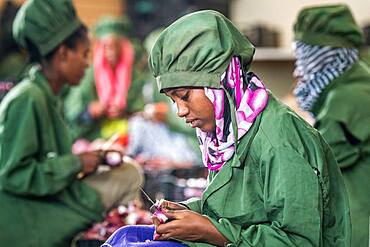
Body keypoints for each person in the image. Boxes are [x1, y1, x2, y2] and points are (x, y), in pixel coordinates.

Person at [103, 10, 351, 247]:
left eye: (184, 96)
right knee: (126, 236)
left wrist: (212, 231)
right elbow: (241, 209)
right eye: (172, 100)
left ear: (221, 82)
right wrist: (189, 212)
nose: (179, 111)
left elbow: (299, 241)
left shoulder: (279, 140)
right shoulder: (230, 132)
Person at [0, 0, 143, 246]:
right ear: (63, 54)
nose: (88, 63)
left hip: (53, 194)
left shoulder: (47, 96)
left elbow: (47, 159)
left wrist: (92, 158)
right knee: (129, 175)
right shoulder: (27, 99)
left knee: (125, 170)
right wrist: (75, 163)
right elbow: (13, 175)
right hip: (30, 216)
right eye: (84, 54)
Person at [292, 4, 370, 246]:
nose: (299, 69)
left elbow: (316, 164)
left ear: (326, 56)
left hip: (356, 228)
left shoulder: (347, 99)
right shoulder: (353, 84)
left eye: (307, 57)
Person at [63, 15, 145, 142]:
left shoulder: (135, 76)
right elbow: (71, 116)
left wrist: (125, 112)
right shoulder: (86, 75)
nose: (111, 52)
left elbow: (143, 111)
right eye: (106, 47)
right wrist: (90, 111)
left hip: (127, 138)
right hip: (93, 138)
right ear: (100, 49)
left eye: (116, 46)